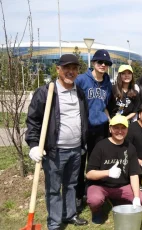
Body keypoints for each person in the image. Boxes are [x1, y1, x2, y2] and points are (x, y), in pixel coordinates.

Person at [26, 54, 88, 229]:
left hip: (76, 149)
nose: (71, 71)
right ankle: (54, 223)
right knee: (53, 189)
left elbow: (83, 117)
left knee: (71, 185)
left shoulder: (80, 92)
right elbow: (33, 121)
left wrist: (83, 142)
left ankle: (70, 215)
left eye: (74, 68)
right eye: (67, 68)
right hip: (55, 151)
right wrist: (33, 145)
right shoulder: (46, 92)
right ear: (58, 69)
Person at [86, 115, 142, 224]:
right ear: (110, 129)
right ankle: (97, 211)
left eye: (123, 128)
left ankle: (117, 199)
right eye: (116, 128)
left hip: (122, 186)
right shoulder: (101, 146)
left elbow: (134, 174)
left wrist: (136, 197)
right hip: (101, 185)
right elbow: (89, 174)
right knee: (94, 200)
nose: (120, 131)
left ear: (127, 129)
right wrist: (108, 172)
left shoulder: (130, 148)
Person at [75, 49, 113, 206]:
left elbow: (105, 106)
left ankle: (92, 191)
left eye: (106, 63)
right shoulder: (82, 80)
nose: (103, 65)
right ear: (93, 63)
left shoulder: (107, 82)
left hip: (101, 128)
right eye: (100, 62)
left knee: (96, 162)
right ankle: (78, 195)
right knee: (80, 161)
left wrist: (110, 122)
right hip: (83, 128)